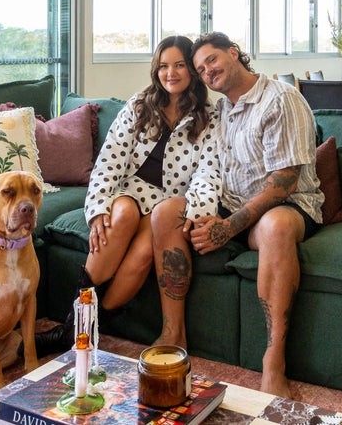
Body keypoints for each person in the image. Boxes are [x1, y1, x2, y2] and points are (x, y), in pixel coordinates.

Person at [48, 35, 222, 351]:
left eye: (180, 65)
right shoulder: (139, 105)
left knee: (143, 254)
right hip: (129, 191)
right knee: (122, 215)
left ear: (192, 70)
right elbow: (109, 159)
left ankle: (79, 330)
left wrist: (197, 214)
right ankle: (75, 328)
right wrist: (99, 206)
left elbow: (208, 174)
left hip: (166, 205)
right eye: (164, 66)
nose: (171, 73)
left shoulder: (210, 116)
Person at [184, 32, 324, 398]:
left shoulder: (281, 99)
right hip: (231, 203)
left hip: (287, 206)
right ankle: (173, 335)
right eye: (200, 69)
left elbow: (286, 181)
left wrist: (228, 227)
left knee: (275, 226)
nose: (207, 71)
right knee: (167, 212)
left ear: (234, 54)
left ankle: (273, 361)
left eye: (212, 60)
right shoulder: (221, 110)